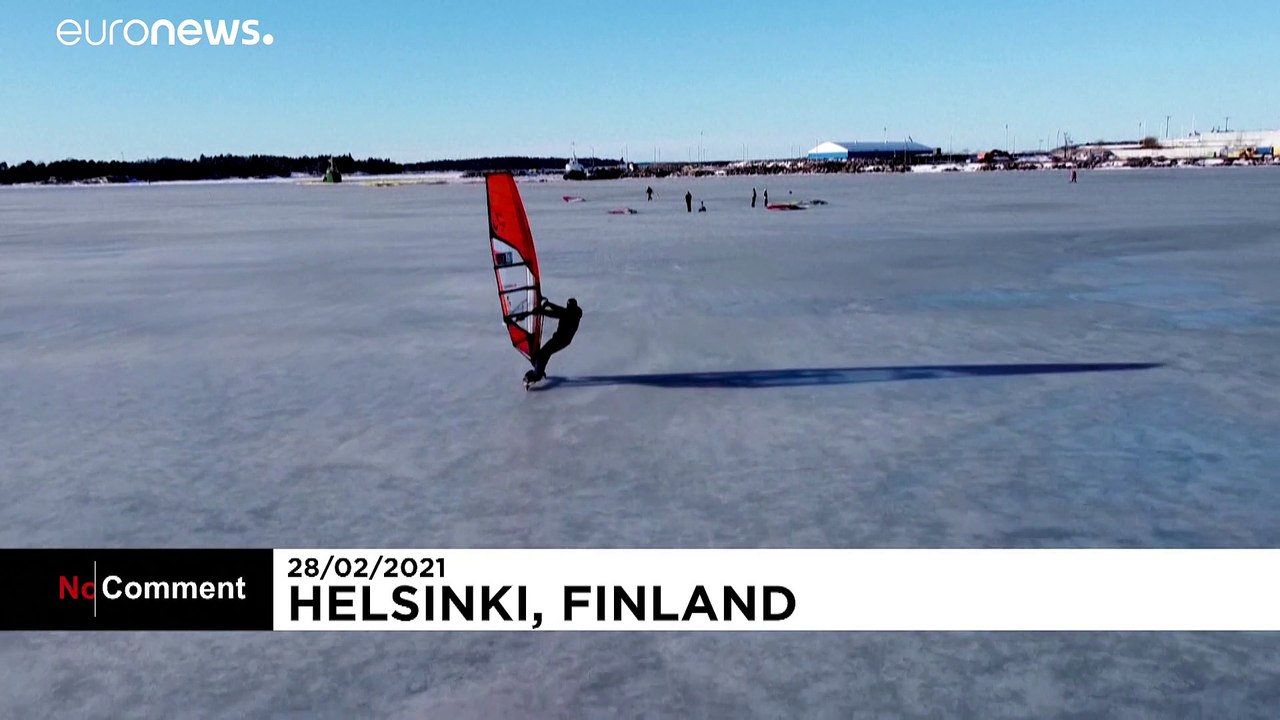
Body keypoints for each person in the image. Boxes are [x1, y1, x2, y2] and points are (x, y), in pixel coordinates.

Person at [524, 297, 582, 385]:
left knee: (542, 354)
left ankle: (537, 375)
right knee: (545, 353)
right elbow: (560, 310)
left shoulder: (569, 315)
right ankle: (539, 371)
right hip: (563, 340)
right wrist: (549, 304)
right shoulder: (576, 312)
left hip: (560, 339)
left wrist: (541, 311)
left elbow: (555, 314)